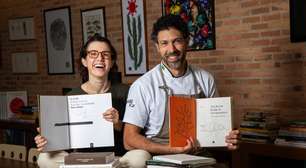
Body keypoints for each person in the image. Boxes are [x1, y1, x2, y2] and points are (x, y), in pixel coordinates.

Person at [120, 15, 239, 168]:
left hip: (197, 155)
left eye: (177, 41)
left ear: (187, 41)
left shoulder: (205, 79)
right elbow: (129, 139)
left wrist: (229, 139)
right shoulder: (143, 85)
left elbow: (218, 130)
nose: (172, 49)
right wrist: (170, 149)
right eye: (164, 43)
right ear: (157, 47)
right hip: (158, 156)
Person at [34, 34, 129, 168]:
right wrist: (47, 140)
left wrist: (117, 123)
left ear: (112, 62)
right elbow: (64, 139)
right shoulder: (71, 96)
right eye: (93, 54)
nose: (100, 58)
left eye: (105, 54)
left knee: (140, 156)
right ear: (84, 61)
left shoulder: (127, 92)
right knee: (44, 158)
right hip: (81, 158)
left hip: (117, 158)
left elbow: (136, 135)